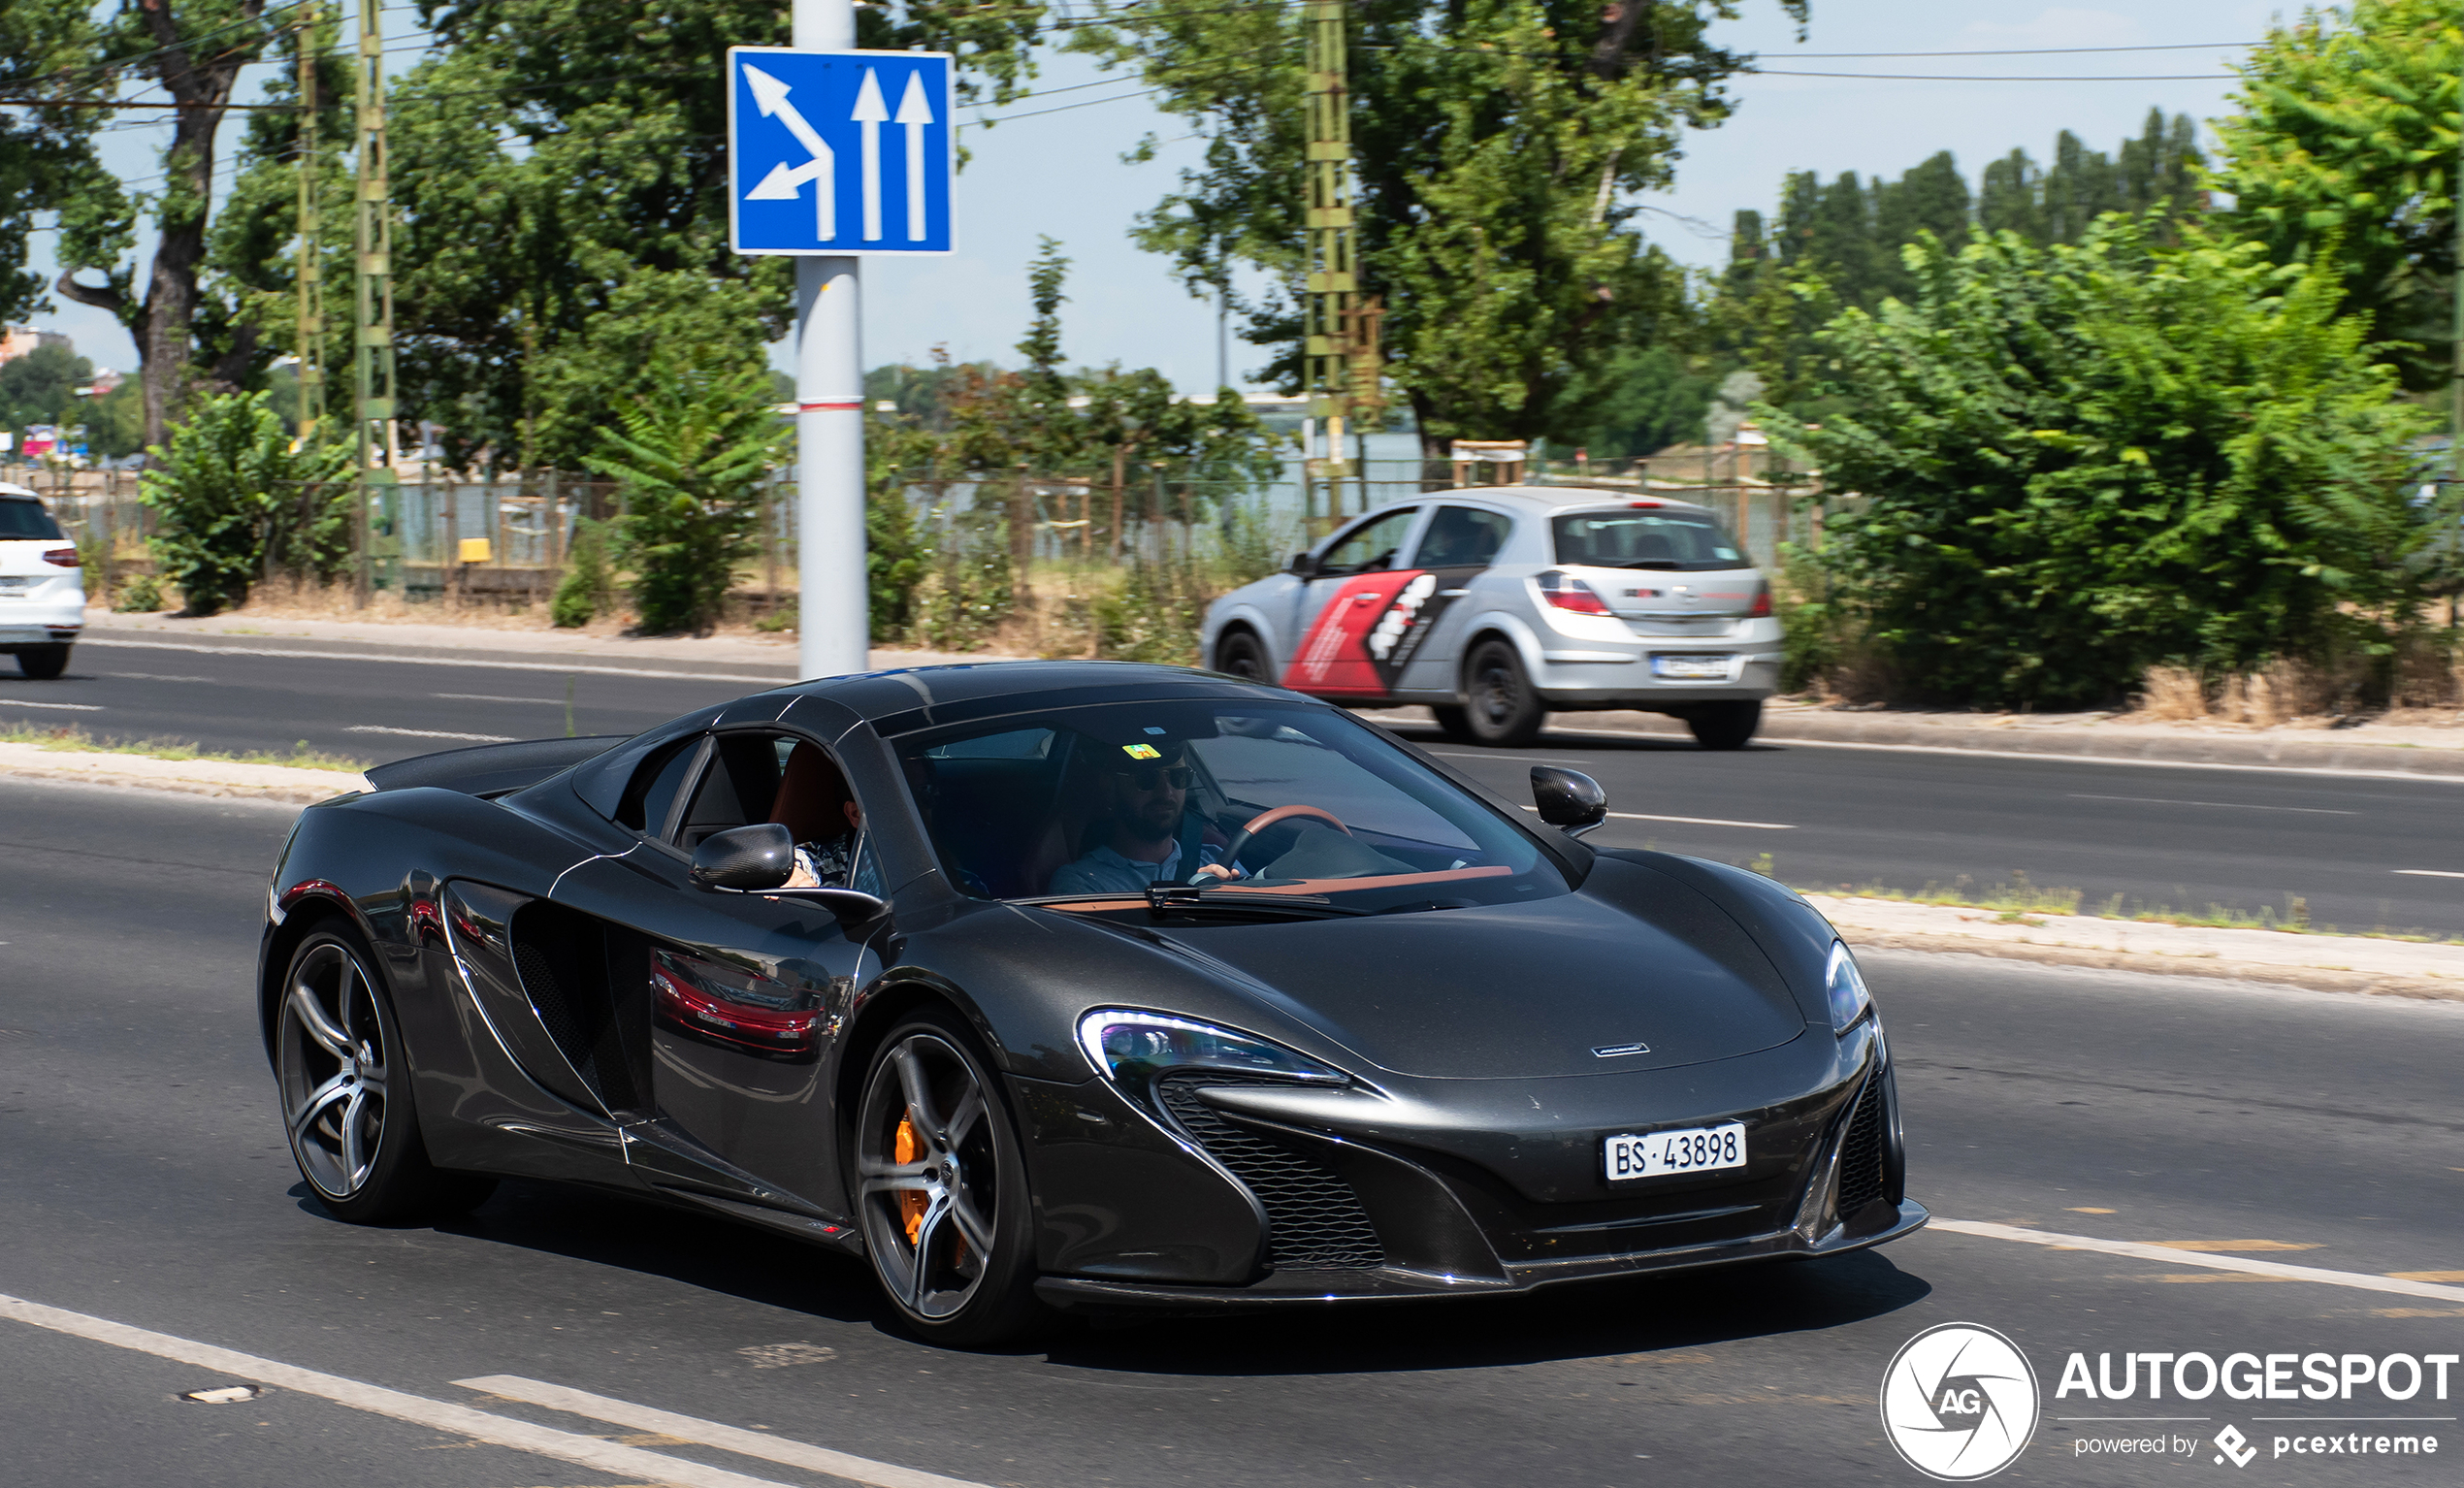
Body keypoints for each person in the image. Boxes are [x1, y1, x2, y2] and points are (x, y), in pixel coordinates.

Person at [1046, 744, 1240, 894]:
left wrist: (1233, 896)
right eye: (1146, 778)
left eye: (1178, 776)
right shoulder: (1083, 881)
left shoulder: (1217, 858)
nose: (1166, 792)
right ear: (1110, 786)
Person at [769, 742, 880, 893]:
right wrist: (787, 875)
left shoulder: (922, 848)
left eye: (924, 795)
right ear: (855, 814)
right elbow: (785, 866)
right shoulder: (822, 860)